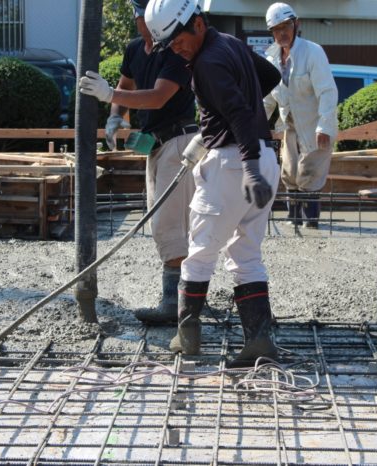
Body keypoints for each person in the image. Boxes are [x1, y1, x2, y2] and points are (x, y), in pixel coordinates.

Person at [144, 0, 282, 367]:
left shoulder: (206, 63)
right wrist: (250, 149)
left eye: (179, 39)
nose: (177, 48)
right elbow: (270, 77)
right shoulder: (233, 44)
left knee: (200, 253)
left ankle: (186, 339)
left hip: (235, 164)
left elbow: (236, 111)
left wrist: (247, 164)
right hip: (266, 157)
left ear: (198, 23)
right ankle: (259, 340)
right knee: (246, 254)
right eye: (169, 44)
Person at [78, 0, 197, 324]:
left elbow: (158, 96)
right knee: (164, 224)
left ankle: (175, 304)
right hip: (156, 146)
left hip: (178, 142)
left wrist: (109, 98)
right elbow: (125, 85)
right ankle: (185, 298)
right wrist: (116, 116)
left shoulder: (173, 51)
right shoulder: (134, 50)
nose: (139, 18)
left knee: (169, 226)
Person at [262, 2, 338, 228]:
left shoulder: (312, 52)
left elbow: (327, 91)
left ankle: (311, 223)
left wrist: (324, 127)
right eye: (276, 29)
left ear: (296, 24)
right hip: (290, 128)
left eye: (285, 26)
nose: (281, 33)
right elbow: (267, 98)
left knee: (309, 174)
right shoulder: (272, 59)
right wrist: (257, 124)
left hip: (315, 126)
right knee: (290, 174)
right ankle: (294, 219)